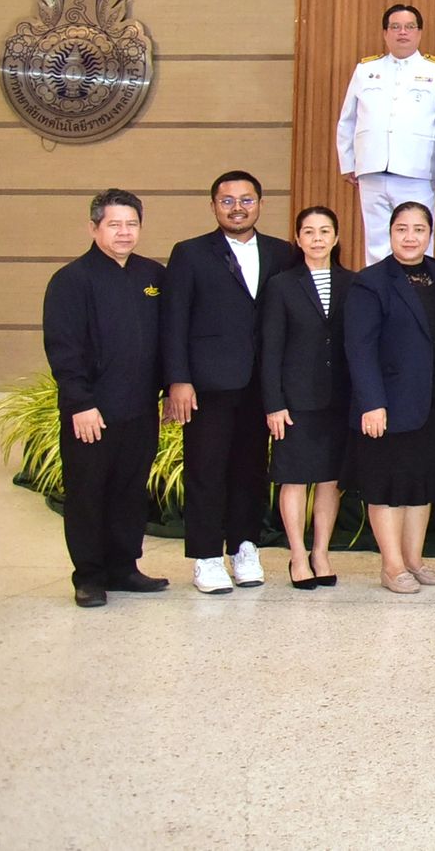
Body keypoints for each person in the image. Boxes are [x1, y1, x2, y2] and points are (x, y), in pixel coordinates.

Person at [161, 169, 295, 594]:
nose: (238, 208)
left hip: (262, 384)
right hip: (208, 384)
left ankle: (244, 547)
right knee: (206, 469)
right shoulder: (190, 253)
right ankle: (205, 556)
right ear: (214, 206)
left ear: (260, 204)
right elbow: (174, 321)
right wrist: (177, 380)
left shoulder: (282, 253)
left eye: (246, 200)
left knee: (250, 470)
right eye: (228, 200)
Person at [43, 189, 169, 607]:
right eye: (114, 224)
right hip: (92, 411)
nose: (124, 232)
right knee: (88, 493)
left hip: (140, 409)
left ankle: (123, 567)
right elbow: (64, 349)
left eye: (131, 224)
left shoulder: (153, 276)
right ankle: (89, 576)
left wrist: (170, 389)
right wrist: (79, 403)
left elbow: (167, 339)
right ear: (93, 227)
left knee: (130, 491)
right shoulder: (71, 280)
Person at [344, 200, 435, 594]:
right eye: (401, 229)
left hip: (433, 402)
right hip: (387, 404)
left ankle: (414, 559)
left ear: (430, 234)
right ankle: (392, 566)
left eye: (419, 229)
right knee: (388, 487)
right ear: (389, 233)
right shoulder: (370, 282)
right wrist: (372, 402)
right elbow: (360, 348)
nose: (410, 237)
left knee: (421, 485)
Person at [258, 206, 349, 590]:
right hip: (295, 401)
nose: (317, 239)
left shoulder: (352, 282)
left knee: (329, 480)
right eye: (309, 232)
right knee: (294, 478)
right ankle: (297, 555)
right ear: (297, 238)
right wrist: (274, 403)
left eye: (324, 231)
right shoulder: (282, 285)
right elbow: (270, 350)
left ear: (336, 237)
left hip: (339, 400)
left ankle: (321, 552)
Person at [336, 3, 435, 263]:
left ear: (419, 32)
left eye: (409, 27)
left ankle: (418, 287)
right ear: (385, 33)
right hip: (372, 168)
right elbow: (348, 120)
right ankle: (378, 288)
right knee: (377, 242)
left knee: (417, 239)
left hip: (417, 171)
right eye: (395, 27)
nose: (402, 32)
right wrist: (348, 163)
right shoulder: (366, 70)